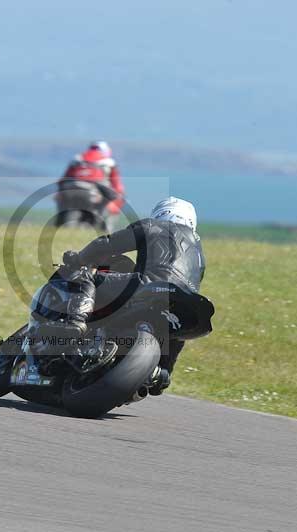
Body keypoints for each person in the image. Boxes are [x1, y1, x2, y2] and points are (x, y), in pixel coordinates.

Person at [61, 196, 205, 394]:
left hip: (149, 286)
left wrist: (79, 259)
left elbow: (108, 243)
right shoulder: (199, 252)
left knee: (89, 277)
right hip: (185, 301)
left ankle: (76, 322)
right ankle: (162, 372)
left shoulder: (153, 225)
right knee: (177, 329)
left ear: (162, 213)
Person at [57, 141, 125, 227]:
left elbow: (63, 179)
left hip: (69, 190)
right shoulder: (109, 162)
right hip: (93, 192)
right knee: (107, 203)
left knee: (63, 213)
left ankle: (59, 225)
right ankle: (102, 227)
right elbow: (117, 185)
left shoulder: (78, 158)